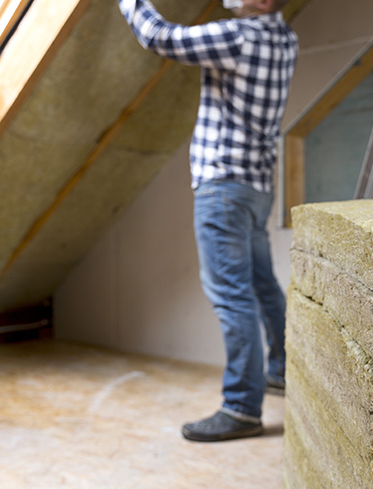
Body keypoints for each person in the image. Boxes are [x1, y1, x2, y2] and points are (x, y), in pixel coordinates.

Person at [117, 0, 298, 441]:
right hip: (256, 187)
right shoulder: (284, 39)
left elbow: (161, 38)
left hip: (222, 189)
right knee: (261, 286)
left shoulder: (238, 37)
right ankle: (280, 371)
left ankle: (241, 408)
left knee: (232, 297)